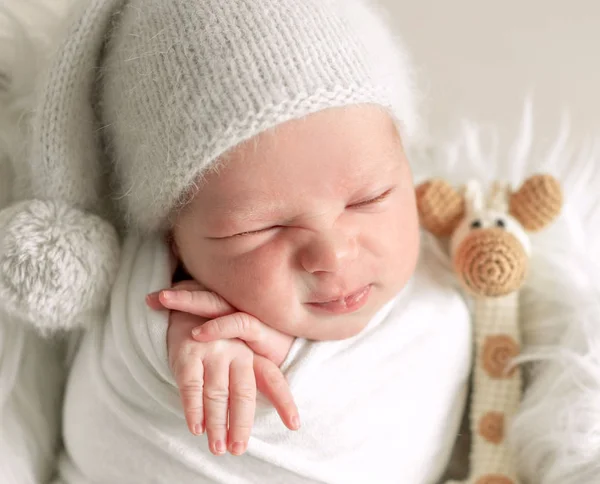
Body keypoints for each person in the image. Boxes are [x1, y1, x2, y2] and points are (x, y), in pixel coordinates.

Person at [0, 0, 471, 482]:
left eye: (368, 198)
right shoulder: (159, 316)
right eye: (262, 228)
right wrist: (188, 340)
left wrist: (282, 350)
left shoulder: (452, 263)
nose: (332, 254)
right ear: (174, 240)